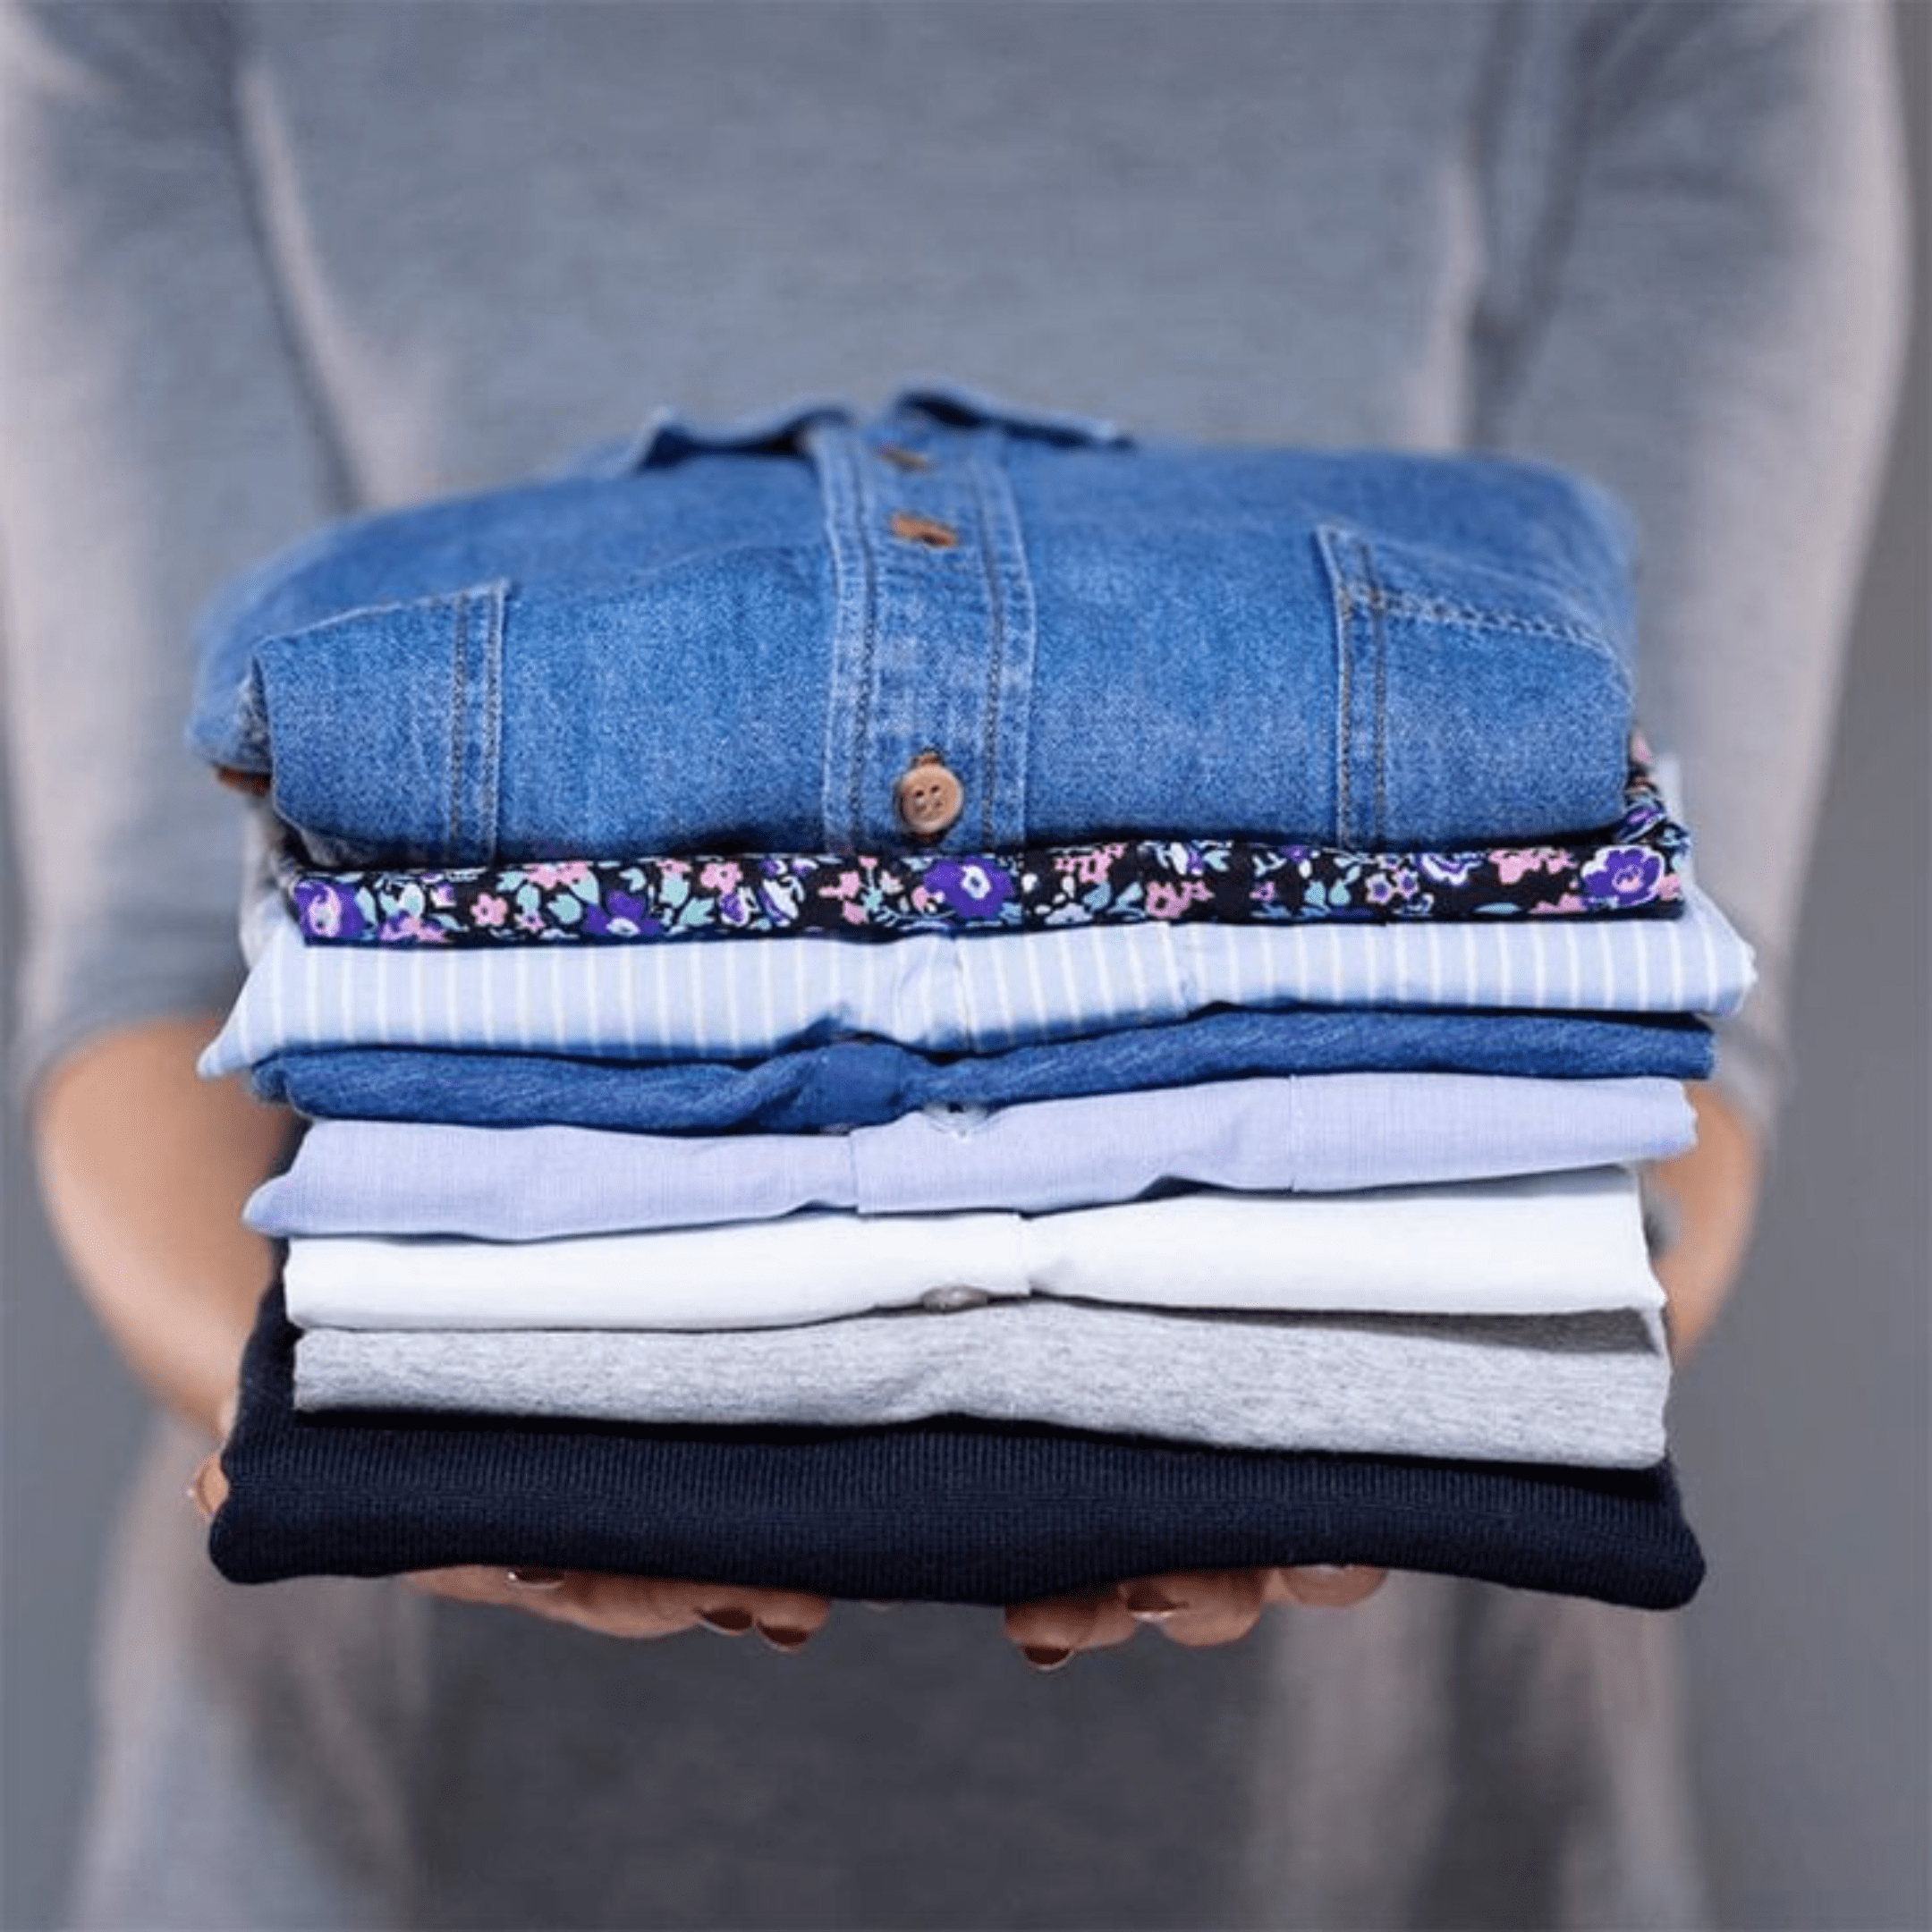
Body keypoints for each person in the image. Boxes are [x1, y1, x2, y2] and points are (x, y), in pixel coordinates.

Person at [0, 3, 1904, 1926]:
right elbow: (160, 964)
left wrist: (1429, 1417)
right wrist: (362, 1434)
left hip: (1396, 1835)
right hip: (378, 1824)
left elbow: (1646, 1008)